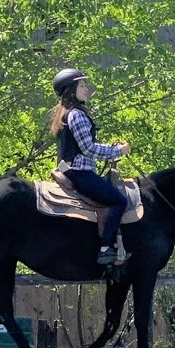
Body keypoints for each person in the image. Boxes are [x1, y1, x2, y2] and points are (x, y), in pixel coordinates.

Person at [48, 68, 130, 265]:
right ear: (70, 90)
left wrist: (111, 148)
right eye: (82, 85)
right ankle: (105, 249)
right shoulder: (77, 115)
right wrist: (118, 151)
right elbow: (88, 149)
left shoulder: (65, 114)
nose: (86, 89)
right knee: (119, 201)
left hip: (70, 170)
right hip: (80, 173)